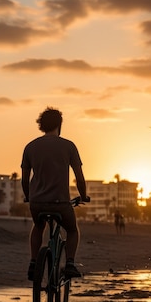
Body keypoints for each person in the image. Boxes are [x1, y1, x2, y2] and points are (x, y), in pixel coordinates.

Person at [21, 107, 90, 281]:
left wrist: (29, 196)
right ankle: (70, 264)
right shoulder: (68, 146)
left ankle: (33, 261)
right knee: (73, 230)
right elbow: (80, 179)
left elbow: (24, 180)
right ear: (59, 125)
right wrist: (83, 196)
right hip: (60, 203)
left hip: (37, 202)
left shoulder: (30, 147)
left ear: (41, 125)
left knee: (38, 226)